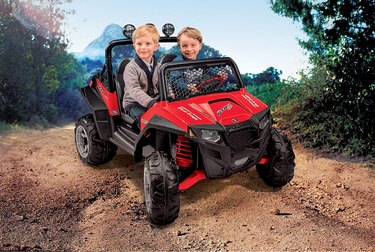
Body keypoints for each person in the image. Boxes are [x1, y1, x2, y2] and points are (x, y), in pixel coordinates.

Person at [122, 24, 160, 130]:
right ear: (134, 46)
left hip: (155, 101)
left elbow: (165, 84)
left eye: (148, 43)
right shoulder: (131, 68)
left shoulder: (160, 66)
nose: (143, 47)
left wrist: (171, 95)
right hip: (134, 103)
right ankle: (145, 140)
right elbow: (134, 90)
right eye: (139, 44)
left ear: (156, 46)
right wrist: (151, 103)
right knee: (145, 119)